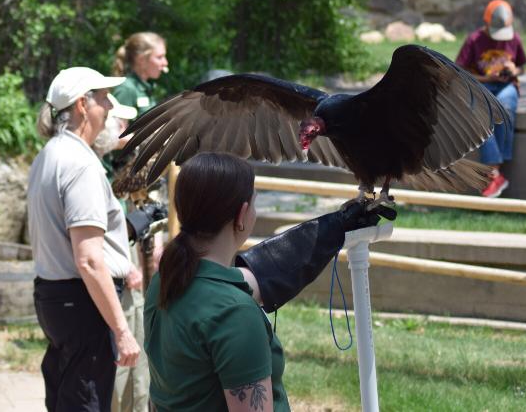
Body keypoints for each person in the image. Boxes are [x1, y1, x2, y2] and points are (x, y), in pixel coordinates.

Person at [144, 152, 384, 412]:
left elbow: (258, 276)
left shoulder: (165, 282)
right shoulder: (235, 314)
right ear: (242, 215)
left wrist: (333, 228)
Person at [27, 67, 142, 412]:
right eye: (104, 98)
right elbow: (90, 259)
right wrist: (122, 330)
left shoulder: (48, 155)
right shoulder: (80, 164)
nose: (109, 107)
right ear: (82, 105)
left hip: (54, 296)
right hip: (82, 303)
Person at [109, 32, 169, 412]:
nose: (166, 64)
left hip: (150, 198)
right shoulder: (127, 92)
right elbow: (115, 141)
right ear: (142, 58)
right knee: (139, 286)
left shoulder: (145, 88)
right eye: (160, 57)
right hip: (132, 203)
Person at [456, 0, 526, 198]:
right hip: (483, 85)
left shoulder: (514, 38)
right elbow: (459, 70)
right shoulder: (474, 40)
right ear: (486, 22)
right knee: (482, 113)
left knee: (505, 105)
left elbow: (522, 66)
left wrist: (515, 69)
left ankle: (495, 172)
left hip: (507, 85)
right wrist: (486, 77)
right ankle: (495, 171)